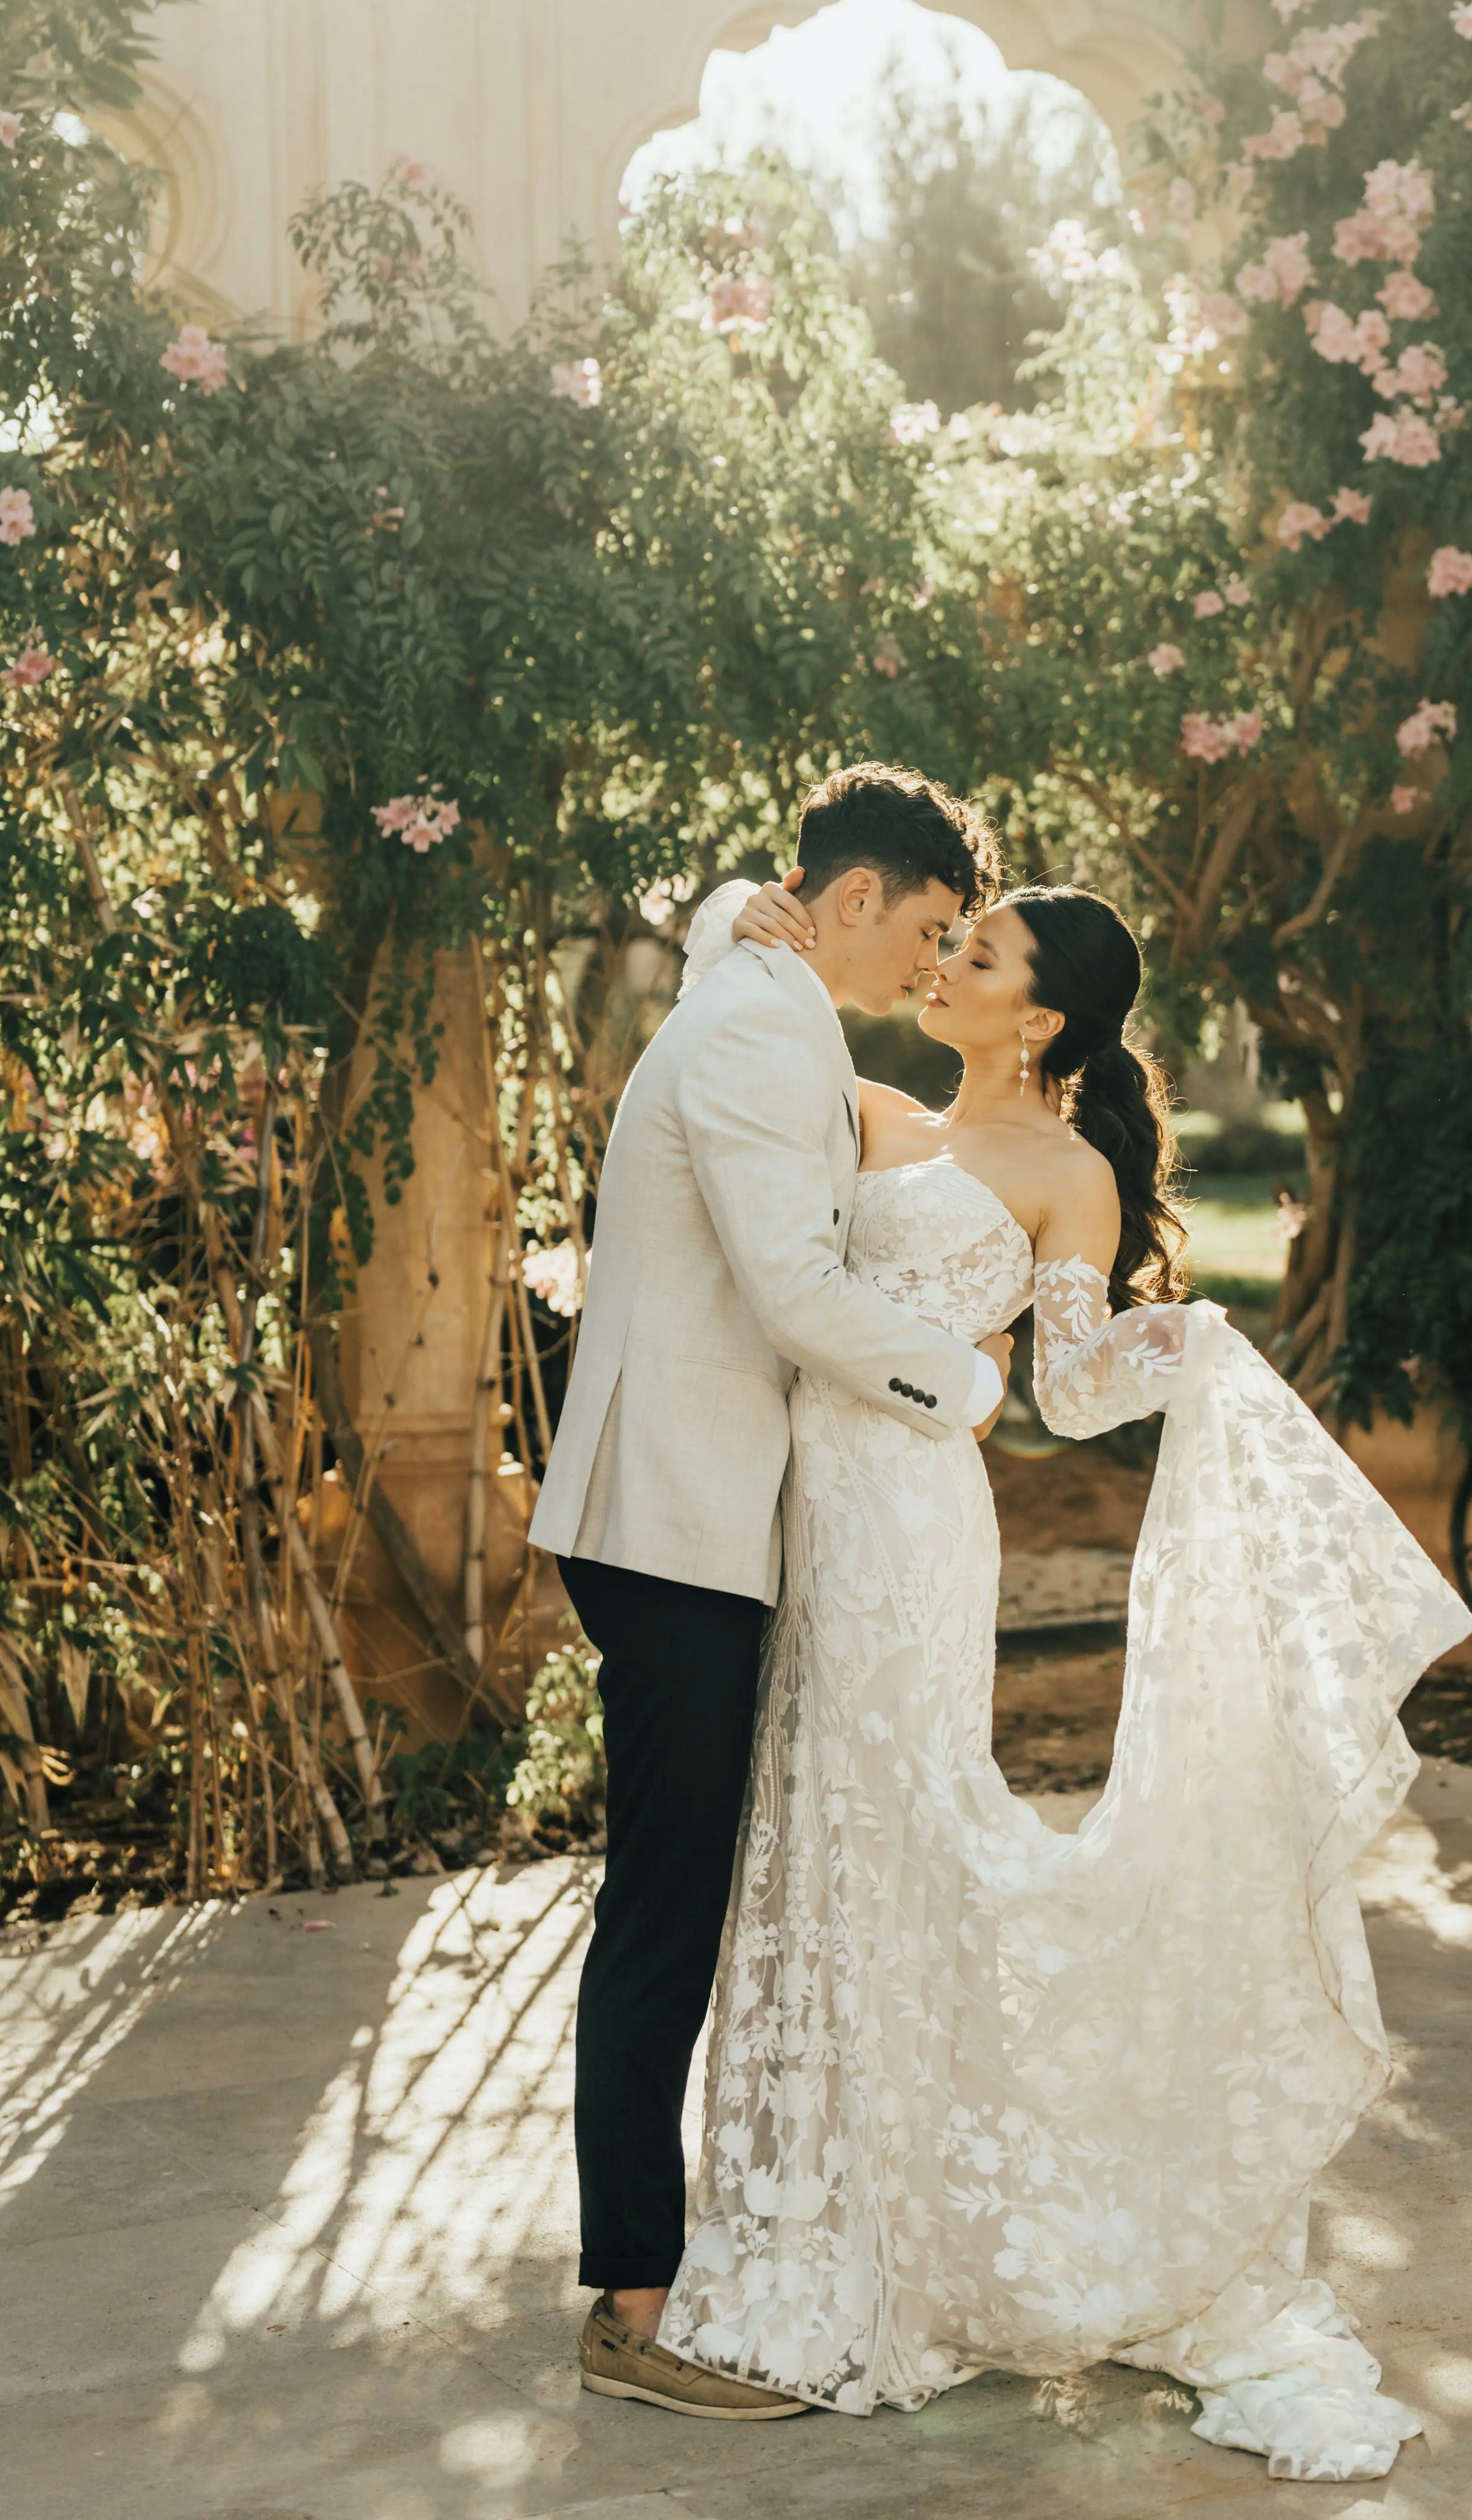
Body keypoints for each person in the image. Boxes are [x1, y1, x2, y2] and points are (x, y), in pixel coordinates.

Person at [654, 864, 1472, 2483]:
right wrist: (741, 909)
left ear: (1042, 1016)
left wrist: (1194, 1348)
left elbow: (1077, 1390)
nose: (947, 961)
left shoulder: (1068, 1170)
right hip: (800, 1508)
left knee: (905, 1832)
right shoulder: (882, 1117)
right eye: (949, 939)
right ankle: (828, 2200)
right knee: (815, 1835)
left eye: (981, 951)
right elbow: (761, 1142)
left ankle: (932, 2235)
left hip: (910, 1529)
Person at [527, 763, 1015, 2421]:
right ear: (856, 900)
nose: (930, 969)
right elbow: (798, 1288)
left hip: (696, 1514)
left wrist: (742, 898)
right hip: (672, 1519)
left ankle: (655, 2276)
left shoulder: (758, 977)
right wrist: (966, 1379)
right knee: (663, 1907)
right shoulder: (762, 1024)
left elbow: (737, 927)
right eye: (928, 930)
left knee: (678, 1895)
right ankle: (634, 2313)